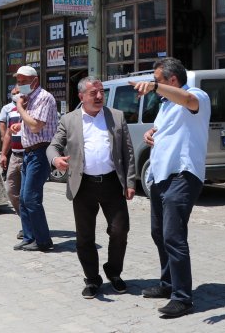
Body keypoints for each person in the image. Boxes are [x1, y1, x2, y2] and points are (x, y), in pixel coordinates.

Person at [129, 57, 210, 318]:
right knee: (159, 233)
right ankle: (168, 284)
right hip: (161, 176)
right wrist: (152, 133)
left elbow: (188, 102)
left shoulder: (196, 94)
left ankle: (183, 298)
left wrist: (153, 88)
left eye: (158, 80)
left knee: (173, 236)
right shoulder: (165, 106)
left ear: (172, 80)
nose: (154, 84)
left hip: (183, 175)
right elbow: (170, 130)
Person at [47, 77, 136, 299]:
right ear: (81, 97)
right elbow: (53, 146)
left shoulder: (116, 116)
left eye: (101, 92)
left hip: (112, 183)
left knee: (119, 230)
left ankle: (113, 273)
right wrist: (56, 160)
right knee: (84, 237)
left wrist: (131, 182)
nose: (98, 96)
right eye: (93, 93)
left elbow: (128, 152)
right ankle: (92, 279)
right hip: (83, 184)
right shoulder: (69, 120)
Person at [10, 65, 58, 252]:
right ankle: (29, 237)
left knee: (31, 197)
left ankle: (43, 240)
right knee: (23, 197)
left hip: (41, 152)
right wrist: (20, 127)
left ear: (34, 81)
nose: (19, 85)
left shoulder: (44, 98)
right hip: (29, 152)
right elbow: (31, 125)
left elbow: (37, 126)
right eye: (18, 82)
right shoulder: (30, 98)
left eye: (23, 82)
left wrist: (20, 109)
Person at [0, 87, 24, 239]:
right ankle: (25, 220)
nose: (16, 95)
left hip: (30, 156)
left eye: (19, 91)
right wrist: (3, 154)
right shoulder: (11, 110)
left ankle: (30, 227)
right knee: (11, 190)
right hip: (14, 155)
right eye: (14, 92)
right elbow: (8, 132)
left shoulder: (34, 108)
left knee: (28, 195)